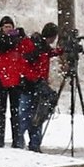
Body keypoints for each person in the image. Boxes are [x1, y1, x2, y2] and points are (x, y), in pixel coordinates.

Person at [0, 16, 30, 149]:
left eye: (10, 27)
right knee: (1, 112)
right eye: (6, 27)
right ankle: (1, 140)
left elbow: (28, 50)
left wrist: (24, 37)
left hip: (15, 81)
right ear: (1, 28)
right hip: (1, 81)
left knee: (15, 112)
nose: (8, 29)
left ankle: (16, 140)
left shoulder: (18, 41)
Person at [19, 22, 60, 151]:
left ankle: (30, 143)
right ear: (52, 36)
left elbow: (49, 53)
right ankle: (25, 143)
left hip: (36, 86)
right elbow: (26, 66)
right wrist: (37, 80)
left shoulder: (41, 46)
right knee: (29, 117)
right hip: (31, 86)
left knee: (36, 116)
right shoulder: (36, 47)